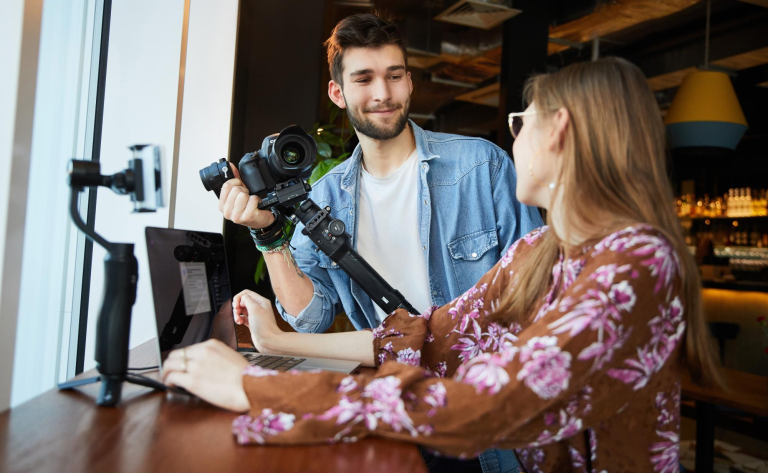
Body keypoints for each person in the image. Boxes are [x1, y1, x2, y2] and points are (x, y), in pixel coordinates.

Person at [167, 57, 722, 472]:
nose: (514, 138)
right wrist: (277, 344)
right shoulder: (543, 251)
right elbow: (428, 336)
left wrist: (259, 391)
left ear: (560, 130)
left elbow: (484, 407)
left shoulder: (635, 264)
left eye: (520, 122)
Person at [218, 12, 540, 473]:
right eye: (364, 78)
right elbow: (311, 318)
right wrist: (268, 238)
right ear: (339, 92)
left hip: (486, 416)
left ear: (409, 83)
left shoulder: (481, 166)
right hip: (395, 411)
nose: (382, 94)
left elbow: (536, 295)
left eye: (393, 76)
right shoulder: (325, 198)